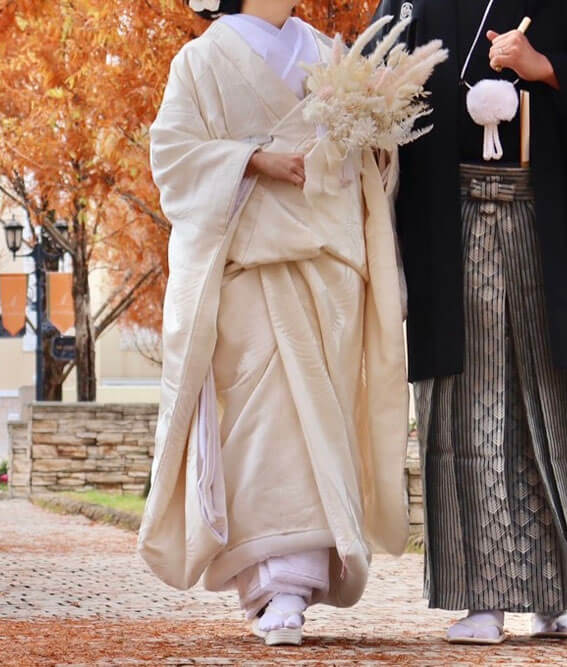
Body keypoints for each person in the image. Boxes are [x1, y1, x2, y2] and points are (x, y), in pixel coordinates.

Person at [370, 0, 567, 644]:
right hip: (453, 215)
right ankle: (481, 599)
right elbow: (378, 73)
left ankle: (560, 595)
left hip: (544, 218)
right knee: (469, 407)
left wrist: (546, 68)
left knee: (557, 401)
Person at [138, 0, 409, 647]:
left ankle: (295, 582)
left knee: (323, 416)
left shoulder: (328, 52)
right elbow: (172, 159)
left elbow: (370, 163)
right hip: (251, 266)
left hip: (328, 266)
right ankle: (277, 584)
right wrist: (254, 159)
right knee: (265, 425)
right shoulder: (201, 59)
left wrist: (367, 134)